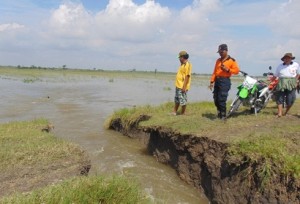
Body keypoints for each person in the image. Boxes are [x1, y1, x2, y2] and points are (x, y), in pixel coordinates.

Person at [209, 44, 240, 119]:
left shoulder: (231, 60)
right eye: (219, 52)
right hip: (217, 80)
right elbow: (215, 71)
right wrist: (212, 81)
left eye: (221, 52)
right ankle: (219, 112)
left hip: (225, 81)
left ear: (226, 51)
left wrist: (228, 70)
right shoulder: (218, 60)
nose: (220, 53)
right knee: (216, 98)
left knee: (222, 99)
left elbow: (237, 71)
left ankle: (223, 116)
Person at [274, 53, 299, 117]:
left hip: (291, 83)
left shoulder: (296, 65)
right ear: (283, 59)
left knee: (291, 99)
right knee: (279, 97)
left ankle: (285, 112)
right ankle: (279, 113)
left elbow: (298, 74)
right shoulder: (280, 66)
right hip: (281, 82)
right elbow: (275, 75)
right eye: (286, 58)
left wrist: (296, 81)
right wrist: (271, 81)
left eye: (288, 58)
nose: (287, 59)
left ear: (291, 59)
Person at [173, 51, 192, 115]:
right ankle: (174, 112)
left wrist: (184, 87)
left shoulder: (187, 65)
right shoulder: (182, 65)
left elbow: (187, 76)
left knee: (183, 100)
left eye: (180, 57)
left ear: (183, 57)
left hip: (182, 86)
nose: (179, 59)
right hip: (178, 85)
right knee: (177, 99)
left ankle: (183, 113)